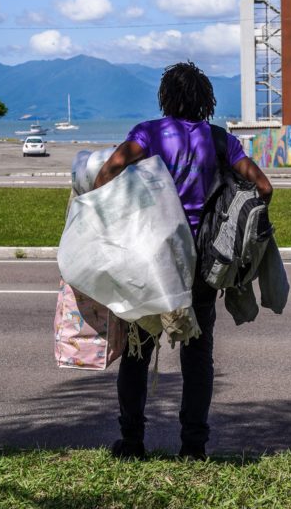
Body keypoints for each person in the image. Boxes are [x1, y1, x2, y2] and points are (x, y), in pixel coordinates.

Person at [94, 61, 273, 460]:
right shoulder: (220, 140)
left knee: (139, 353)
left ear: (166, 98)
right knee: (197, 357)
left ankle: (132, 443)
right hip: (202, 265)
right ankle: (193, 446)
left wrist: (108, 211)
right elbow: (263, 186)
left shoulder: (150, 134)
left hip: (151, 260)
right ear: (205, 100)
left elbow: (110, 170)